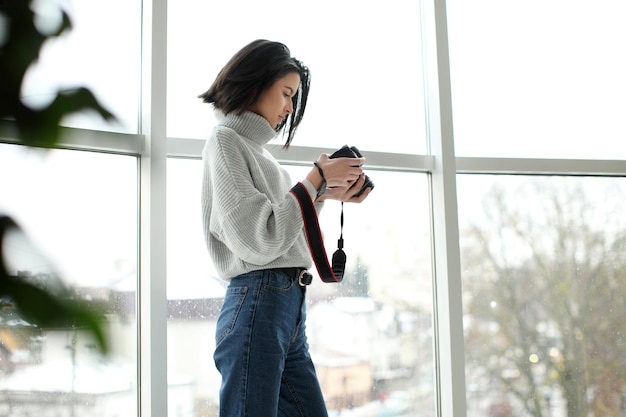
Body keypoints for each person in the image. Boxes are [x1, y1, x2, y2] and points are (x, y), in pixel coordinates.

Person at [198, 39, 372, 417]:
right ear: (257, 83)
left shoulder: (259, 154)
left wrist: (324, 192)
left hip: (284, 306)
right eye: (287, 94)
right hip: (260, 299)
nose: (290, 108)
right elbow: (259, 240)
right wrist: (314, 181)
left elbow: (282, 233)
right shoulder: (226, 141)